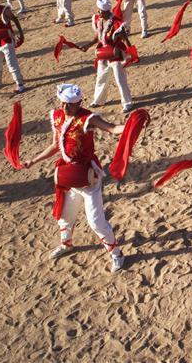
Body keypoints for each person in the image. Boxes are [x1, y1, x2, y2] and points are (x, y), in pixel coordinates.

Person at [21, 84, 127, 273]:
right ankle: (66, 244)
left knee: (96, 222)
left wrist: (131, 125)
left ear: (79, 103)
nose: (65, 108)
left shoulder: (89, 119)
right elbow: (55, 145)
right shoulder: (58, 116)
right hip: (68, 175)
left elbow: (112, 129)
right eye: (63, 103)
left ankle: (117, 254)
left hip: (88, 177)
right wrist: (34, 160)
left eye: (70, 105)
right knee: (65, 215)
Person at [79, 0, 135, 113]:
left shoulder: (117, 24)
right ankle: (98, 100)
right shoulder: (100, 21)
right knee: (101, 78)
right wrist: (88, 45)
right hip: (103, 54)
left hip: (115, 55)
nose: (98, 12)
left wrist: (131, 52)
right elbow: (98, 37)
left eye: (100, 10)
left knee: (120, 80)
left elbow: (125, 39)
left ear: (105, 11)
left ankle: (127, 103)